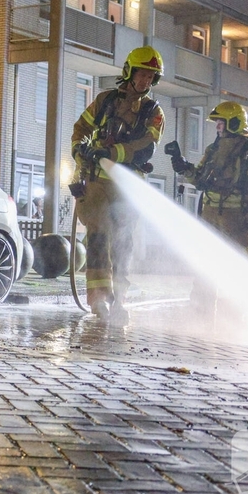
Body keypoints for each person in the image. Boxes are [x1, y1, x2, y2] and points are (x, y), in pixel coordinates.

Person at [71, 46, 166, 325]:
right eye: (142, 74)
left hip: (128, 186)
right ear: (129, 72)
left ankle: (119, 303)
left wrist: (111, 153)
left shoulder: (153, 111)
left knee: (122, 243)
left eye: (151, 77)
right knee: (98, 239)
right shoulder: (104, 101)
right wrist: (80, 152)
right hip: (98, 181)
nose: (146, 81)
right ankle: (99, 300)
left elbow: (146, 148)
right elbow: (81, 129)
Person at [168, 100, 248, 314]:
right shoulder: (213, 149)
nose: (217, 127)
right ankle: (200, 314)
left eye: (220, 123)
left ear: (233, 123)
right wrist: (182, 165)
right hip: (209, 216)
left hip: (237, 219)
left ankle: (237, 318)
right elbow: (201, 180)